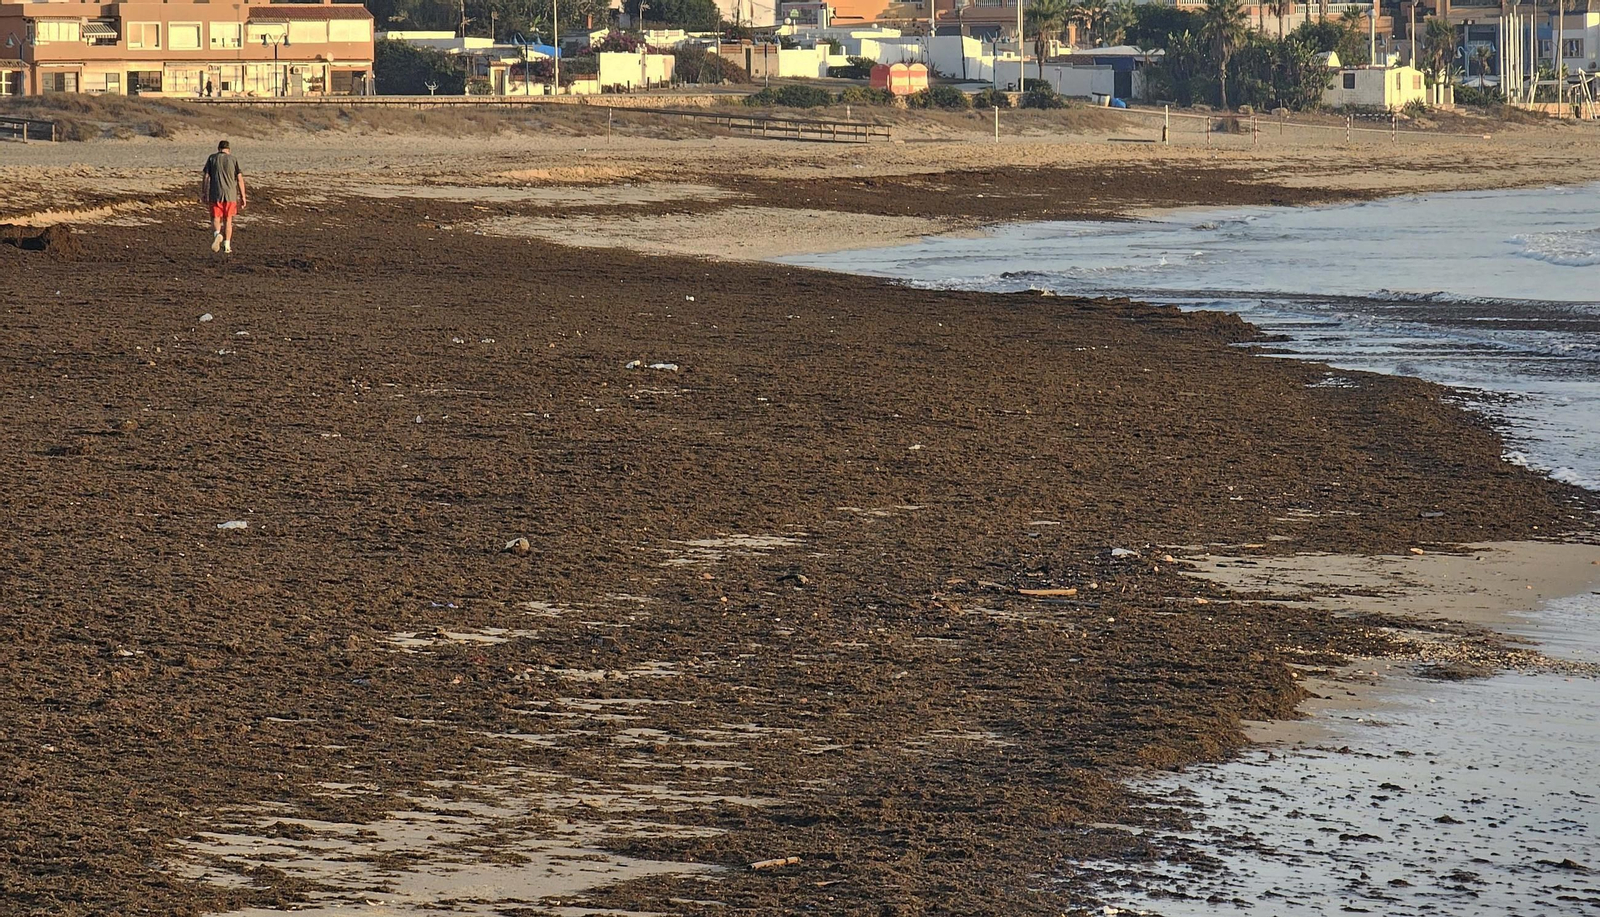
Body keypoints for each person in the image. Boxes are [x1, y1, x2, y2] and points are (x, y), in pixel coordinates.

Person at [199, 140, 246, 254]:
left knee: (216, 218)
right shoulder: (233, 159)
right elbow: (239, 179)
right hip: (230, 195)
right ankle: (227, 245)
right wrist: (243, 196)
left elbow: (206, 177)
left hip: (215, 193)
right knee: (228, 220)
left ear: (218, 149)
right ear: (228, 150)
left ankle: (217, 235)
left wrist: (204, 192)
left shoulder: (212, 158)